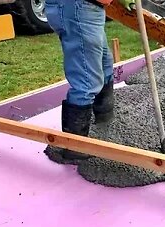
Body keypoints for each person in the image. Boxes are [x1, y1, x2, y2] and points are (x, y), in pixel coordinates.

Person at [44, 0, 115, 162]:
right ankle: (75, 147)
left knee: (105, 63)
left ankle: (103, 119)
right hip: (78, 7)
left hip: (88, 7)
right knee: (87, 80)